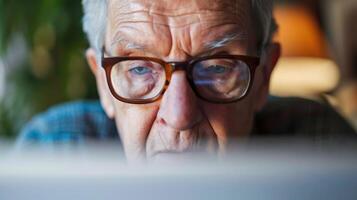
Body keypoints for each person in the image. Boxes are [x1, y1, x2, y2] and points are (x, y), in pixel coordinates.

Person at [18, 0, 357, 163]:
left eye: (218, 67)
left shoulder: (321, 146)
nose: (179, 115)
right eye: (138, 69)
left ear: (264, 77)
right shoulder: (54, 149)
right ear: (103, 84)